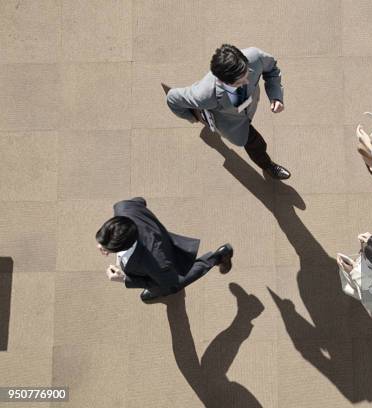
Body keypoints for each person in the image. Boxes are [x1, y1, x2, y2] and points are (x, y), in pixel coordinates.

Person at [164, 44, 290, 180]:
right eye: (238, 83)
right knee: (257, 144)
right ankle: (267, 165)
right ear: (221, 81)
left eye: (246, 74)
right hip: (232, 125)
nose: (246, 82)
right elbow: (172, 98)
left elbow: (272, 70)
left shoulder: (255, 57)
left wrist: (276, 96)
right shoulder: (204, 95)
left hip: (248, 109)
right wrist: (191, 117)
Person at [96, 197, 233, 303]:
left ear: (124, 246)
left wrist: (125, 280)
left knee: (173, 285)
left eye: (105, 247)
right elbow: (140, 201)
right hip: (160, 242)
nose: (99, 247)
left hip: (162, 265)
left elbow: (171, 282)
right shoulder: (123, 207)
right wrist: (109, 242)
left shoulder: (156, 263)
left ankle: (218, 257)